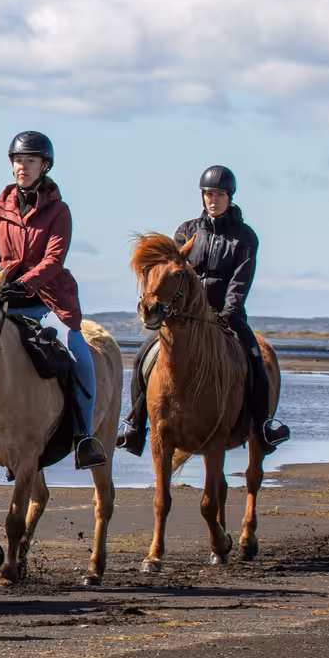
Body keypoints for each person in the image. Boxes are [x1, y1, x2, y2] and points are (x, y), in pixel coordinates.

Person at [0, 130, 109, 474]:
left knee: (78, 354)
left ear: (45, 165)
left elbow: (53, 260)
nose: (22, 167)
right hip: (0, 299)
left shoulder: (59, 211)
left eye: (29, 161)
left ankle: (84, 437)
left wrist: (22, 284)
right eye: (17, 161)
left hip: (49, 302)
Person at [117, 165, 291, 456]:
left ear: (230, 197)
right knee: (142, 358)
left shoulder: (245, 237)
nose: (214, 199)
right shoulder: (186, 231)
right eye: (209, 194)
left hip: (227, 315)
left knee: (255, 358)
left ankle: (263, 426)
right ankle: (135, 426)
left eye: (220, 194)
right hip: (185, 316)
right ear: (202, 196)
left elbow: (241, 280)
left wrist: (229, 311)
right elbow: (174, 273)